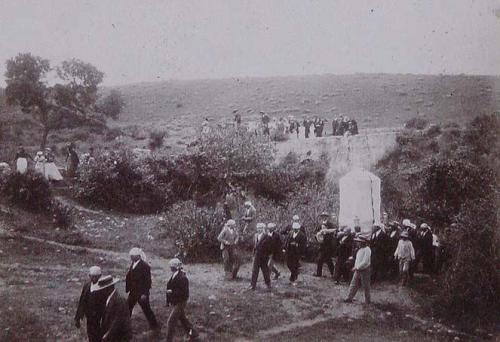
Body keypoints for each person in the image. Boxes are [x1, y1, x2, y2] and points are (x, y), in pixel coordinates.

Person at [125, 247, 159, 330]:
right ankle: (125, 325)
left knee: (147, 310)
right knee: (127, 308)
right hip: (133, 292)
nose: (131, 257)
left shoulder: (145, 266)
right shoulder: (133, 264)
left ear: (138, 256)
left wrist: (144, 294)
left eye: (132, 256)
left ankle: (155, 326)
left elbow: (147, 281)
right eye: (131, 256)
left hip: (141, 293)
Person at [166, 258, 198, 342]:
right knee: (183, 319)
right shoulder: (175, 274)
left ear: (175, 267)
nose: (170, 268)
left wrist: (172, 292)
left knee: (171, 321)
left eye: (171, 266)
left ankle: (168, 340)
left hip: (180, 302)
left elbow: (184, 293)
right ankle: (193, 333)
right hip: (176, 301)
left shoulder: (182, 278)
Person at [95, 275, 132, 342]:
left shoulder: (119, 300)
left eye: (103, 289)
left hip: (120, 335)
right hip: (113, 333)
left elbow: (118, 320)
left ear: (109, 288)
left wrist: (107, 334)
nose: (101, 291)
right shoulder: (108, 297)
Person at [74, 266, 105, 342]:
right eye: (92, 276)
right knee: (90, 334)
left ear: (100, 276)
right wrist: (77, 318)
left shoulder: (103, 287)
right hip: (90, 316)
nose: (93, 278)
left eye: (96, 277)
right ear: (89, 276)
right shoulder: (87, 286)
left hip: (100, 318)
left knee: (99, 335)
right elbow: (82, 302)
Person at [344, 236, 371, 304]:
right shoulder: (359, 249)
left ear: (363, 243)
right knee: (353, 284)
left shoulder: (367, 250)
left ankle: (367, 300)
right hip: (358, 269)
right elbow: (357, 260)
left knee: (365, 285)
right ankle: (349, 297)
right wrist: (356, 267)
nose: (357, 243)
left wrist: (357, 267)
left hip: (365, 270)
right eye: (358, 242)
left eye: (359, 242)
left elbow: (365, 261)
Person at [249, 223, 273, 290]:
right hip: (257, 255)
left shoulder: (267, 236)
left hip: (264, 256)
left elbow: (269, 248)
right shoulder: (256, 235)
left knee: (265, 270)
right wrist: (253, 253)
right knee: (255, 270)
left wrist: (267, 255)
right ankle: (253, 285)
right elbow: (254, 246)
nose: (259, 229)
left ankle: (268, 284)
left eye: (260, 228)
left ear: (263, 229)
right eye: (258, 228)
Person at [313, 212, 337, 278]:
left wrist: (326, 233)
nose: (324, 217)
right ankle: (320, 274)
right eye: (323, 216)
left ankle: (333, 274)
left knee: (327, 260)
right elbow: (315, 232)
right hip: (322, 245)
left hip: (328, 245)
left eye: (325, 216)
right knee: (323, 259)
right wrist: (317, 237)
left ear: (327, 217)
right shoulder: (320, 224)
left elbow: (333, 233)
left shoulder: (330, 225)